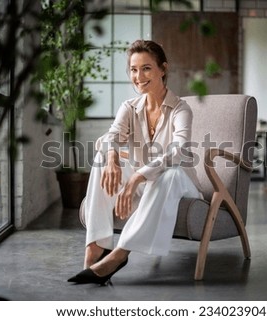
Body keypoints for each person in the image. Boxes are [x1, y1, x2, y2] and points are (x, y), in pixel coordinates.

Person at [67, 39, 202, 285]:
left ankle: (120, 254)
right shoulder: (129, 107)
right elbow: (107, 139)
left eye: (146, 68)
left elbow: (180, 150)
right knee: (102, 157)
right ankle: (96, 246)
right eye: (133, 69)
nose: (138, 76)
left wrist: (139, 175)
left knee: (169, 173)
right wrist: (112, 158)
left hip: (180, 186)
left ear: (163, 69)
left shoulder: (181, 109)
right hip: (146, 186)